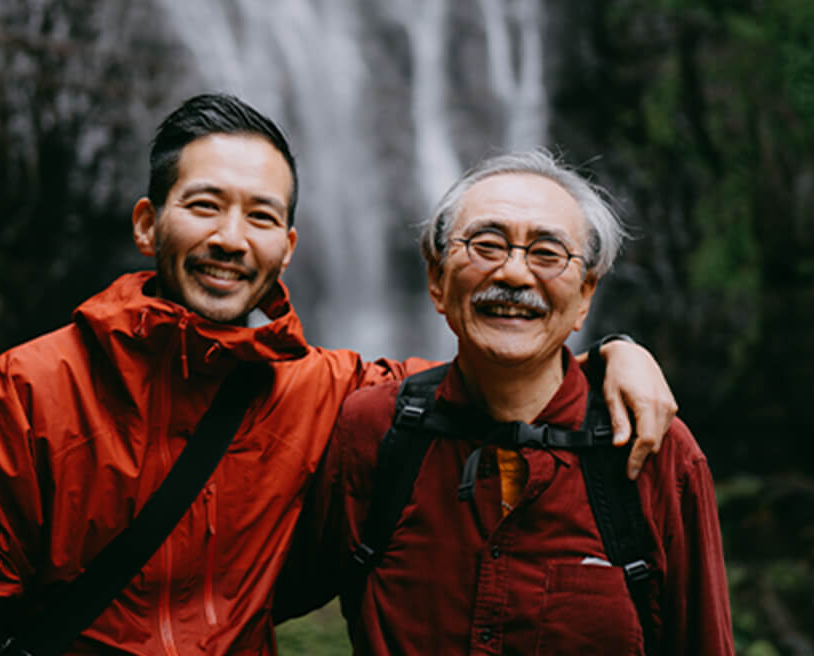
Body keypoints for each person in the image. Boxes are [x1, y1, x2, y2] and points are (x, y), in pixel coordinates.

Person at [0, 95, 677, 655]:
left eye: (261, 217)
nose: (232, 239)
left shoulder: (330, 394)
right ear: (148, 223)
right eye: (205, 205)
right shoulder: (27, 390)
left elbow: (495, 364)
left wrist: (616, 352)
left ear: (289, 248)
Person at [275, 149, 734, 655]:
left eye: (546, 253)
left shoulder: (651, 448)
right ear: (436, 281)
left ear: (585, 297)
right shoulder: (374, 431)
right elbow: (240, 599)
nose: (514, 274)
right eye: (487, 245)